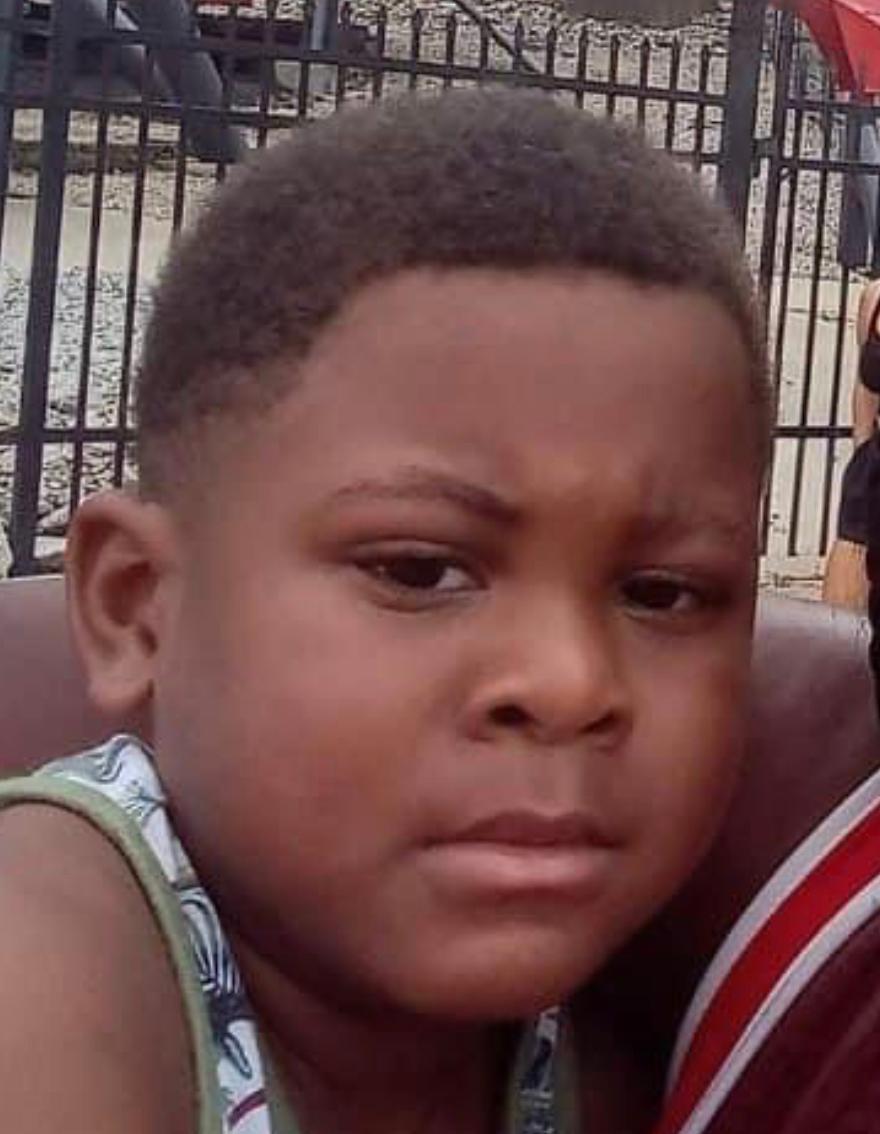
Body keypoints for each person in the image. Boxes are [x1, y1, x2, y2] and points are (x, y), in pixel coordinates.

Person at [0, 89, 769, 1133]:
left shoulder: (618, 1061)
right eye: (419, 570)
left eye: (660, 593)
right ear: (136, 606)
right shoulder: (43, 949)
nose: (569, 681)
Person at [822, 277, 880, 610]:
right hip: (873, 468)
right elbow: (866, 386)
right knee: (841, 615)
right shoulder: (874, 298)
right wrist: (862, 452)